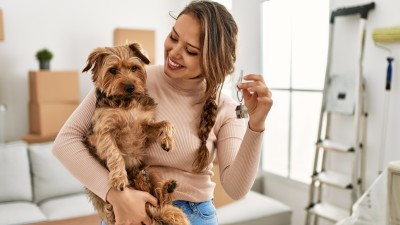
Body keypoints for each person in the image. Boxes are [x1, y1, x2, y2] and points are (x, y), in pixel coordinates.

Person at [52, 1, 273, 225]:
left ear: (213, 61)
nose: (174, 53)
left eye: (191, 51)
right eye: (174, 37)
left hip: (192, 216)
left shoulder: (224, 108)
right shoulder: (130, 80)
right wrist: (116, 195)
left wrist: (256, 125)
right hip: (127, 210)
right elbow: (65, 142)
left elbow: (237, 189)